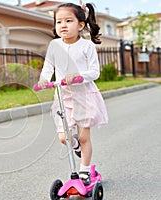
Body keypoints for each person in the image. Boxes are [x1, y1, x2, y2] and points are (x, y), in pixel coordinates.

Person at [37, 2, 108, 185]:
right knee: (64, 138)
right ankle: (76, 147)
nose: (63, 25)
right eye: (59, 22)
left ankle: (84, 171)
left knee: (84, 137)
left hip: (84, 95)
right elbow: (48, 68)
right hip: (63, 96)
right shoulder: (54, 45)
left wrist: (79, 76)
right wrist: (43, 80)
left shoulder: (87, 46)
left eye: (68, 21)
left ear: (81, 25)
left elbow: (94, 72)